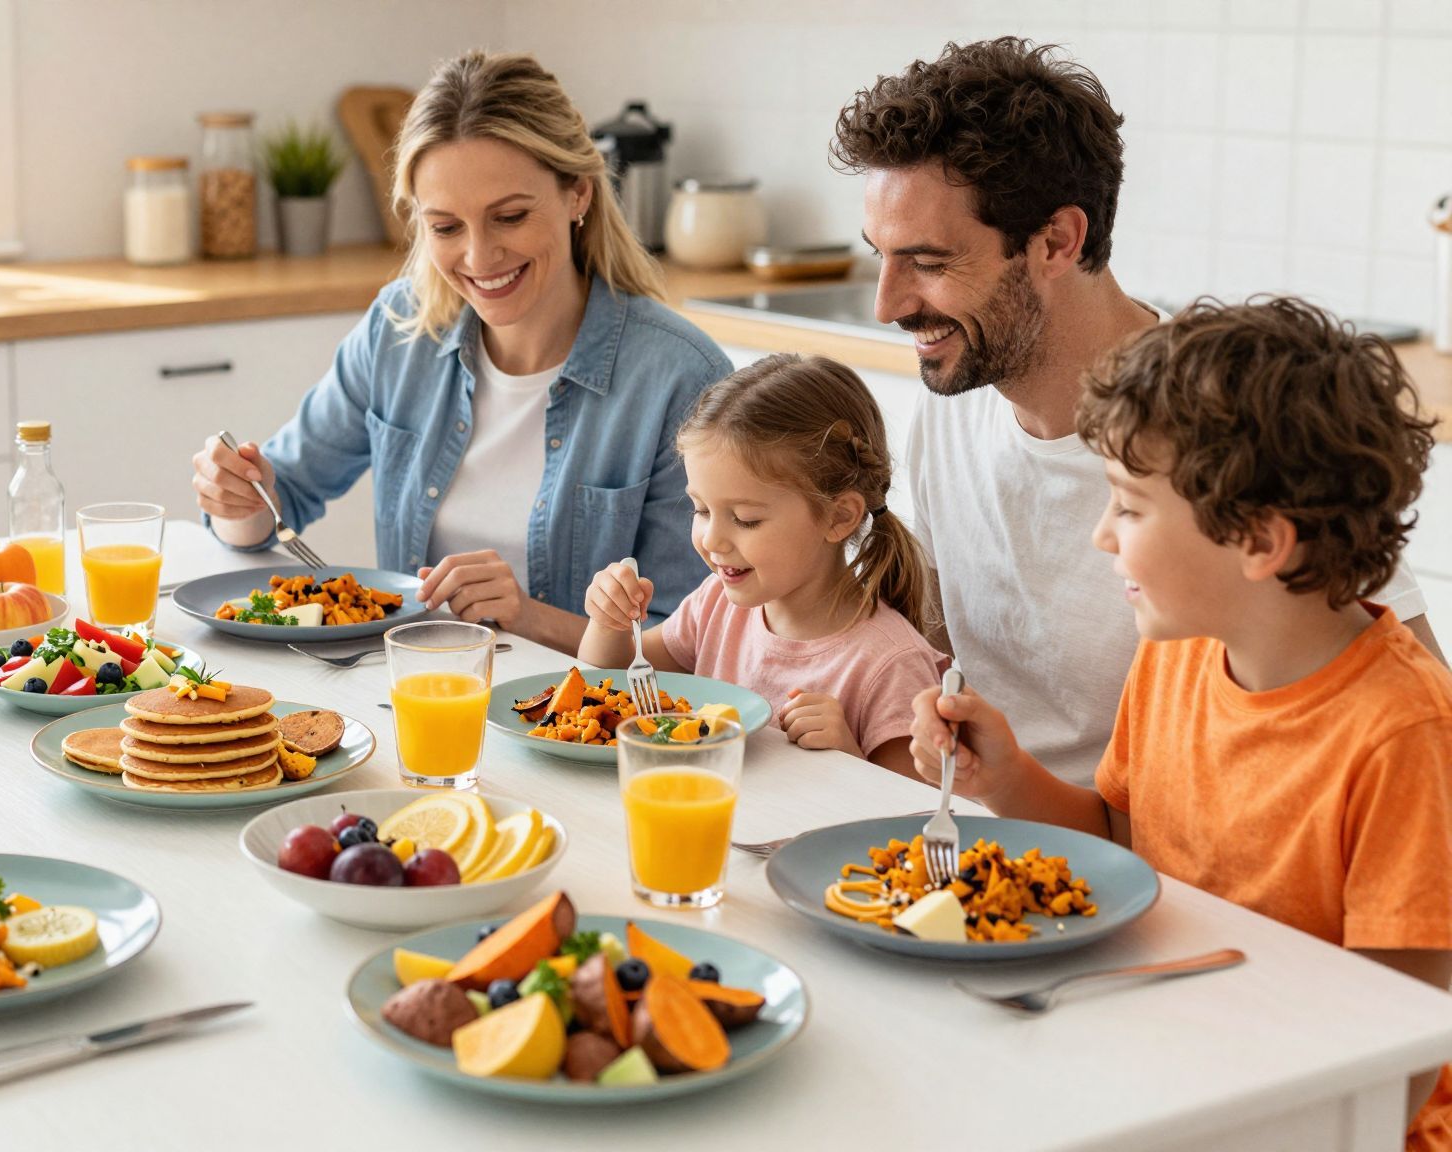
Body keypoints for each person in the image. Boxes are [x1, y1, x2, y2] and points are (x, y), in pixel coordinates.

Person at [906, 299, 1452, 1150]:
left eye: (1127, 506)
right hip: (1174, 1061)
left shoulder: (1401, 733)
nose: (1100, 536)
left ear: (1260, 541)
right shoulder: (1178, 655)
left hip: (1327, 1116)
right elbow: (1121, 838)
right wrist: (1007, 775)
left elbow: (1409, 1036)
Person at [832, 37, 1441, 784]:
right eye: (879, 256)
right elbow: (945, 655)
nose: (886, 304)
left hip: (1173, 862)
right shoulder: (951, 408)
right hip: (1002, 836)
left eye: (928, 263)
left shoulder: (1217, 421)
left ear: (1056, 240)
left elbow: (1414, 715)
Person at [191, 50, 730, 652]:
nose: (479, 257)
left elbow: (692, 648)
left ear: (578, 193)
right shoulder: (399, 331)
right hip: (416, 694)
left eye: (510, 217)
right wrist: (240, 496)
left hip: (577, 728)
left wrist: (524, 615)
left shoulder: (680, 377)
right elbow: (279, 499)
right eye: (446, 227)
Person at [580, 354, 945, 777]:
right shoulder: (716, 605)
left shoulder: (890, 664)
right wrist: (608, 623)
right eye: (700, 509)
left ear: (838, 517)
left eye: (745, 519)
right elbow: (605, 689)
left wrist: (848, 755)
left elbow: (908, 822)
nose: (712, 540)